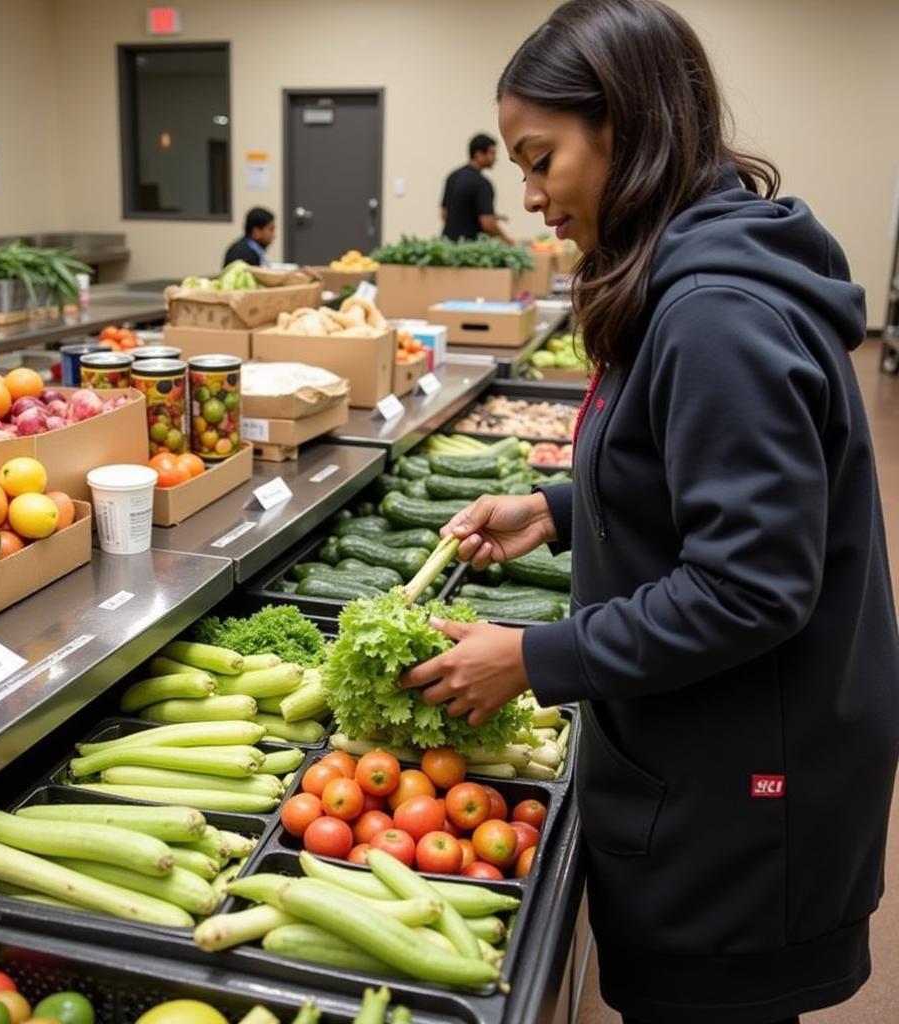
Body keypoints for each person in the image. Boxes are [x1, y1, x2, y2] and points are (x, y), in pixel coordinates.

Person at [401, 2, 899, 1023]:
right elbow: (697, 479)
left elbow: (749, 584)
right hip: (727, 764)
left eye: (540, 160)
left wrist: (533, 658)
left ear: (623, 128)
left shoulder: (712, 312)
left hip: (746, 805)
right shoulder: (697, 275)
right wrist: (559, 508)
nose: (530, 196)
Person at [440, 134, 512, 244]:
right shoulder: (482, 184)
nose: (495, 158)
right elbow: (487, 223)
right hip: (471, 250)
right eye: (492, 153)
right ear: (479, 154)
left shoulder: (452, 176)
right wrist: (508, 241)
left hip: (447, 246)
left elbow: (445, 213)